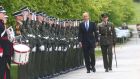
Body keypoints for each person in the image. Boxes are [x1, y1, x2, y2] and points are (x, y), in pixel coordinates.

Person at [0, 6, 14, 79]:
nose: (3, 15)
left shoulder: (2, 24)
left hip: (5, 49)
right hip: (1, 49)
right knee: (2, 68)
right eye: (2, 13)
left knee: (4, 68)